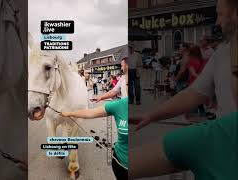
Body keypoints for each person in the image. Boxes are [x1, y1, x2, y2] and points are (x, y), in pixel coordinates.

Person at [130, 0, 238, 179]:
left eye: (220, 14)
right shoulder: (222, 53)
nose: (217, 22)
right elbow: (193, 93)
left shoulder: (204, 139)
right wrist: (152, 115)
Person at [61, 88, 129, 180]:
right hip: (121, 164)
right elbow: (90, 113)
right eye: (128, 84)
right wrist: (70, 113)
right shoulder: (120, 105)